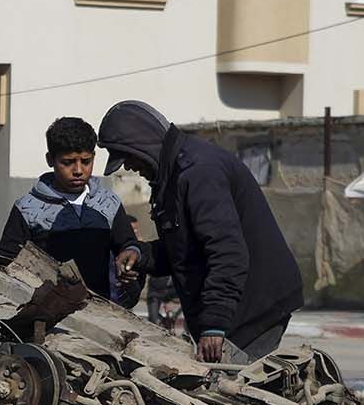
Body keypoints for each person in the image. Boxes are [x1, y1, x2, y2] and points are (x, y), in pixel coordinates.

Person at [98, 100, 303, 363]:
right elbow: (185, 250)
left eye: (128, 158)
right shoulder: (174, 174)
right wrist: (141, 253)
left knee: (228, 395)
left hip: (252, 311)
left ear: (141, 145)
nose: (130, 167)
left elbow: (227, 253)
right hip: (236, 310)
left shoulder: (197, 172)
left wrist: (214, 324)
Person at [0, 117, 142, 303]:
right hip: (48, 312)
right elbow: (6, 260)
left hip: (102, 311)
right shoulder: (27, 208)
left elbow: (128, 245)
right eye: (68, 162)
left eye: (86, 161)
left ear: (94, 157)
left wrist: (129, 263)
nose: (78, 170)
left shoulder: (108, 203)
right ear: (50, 160)